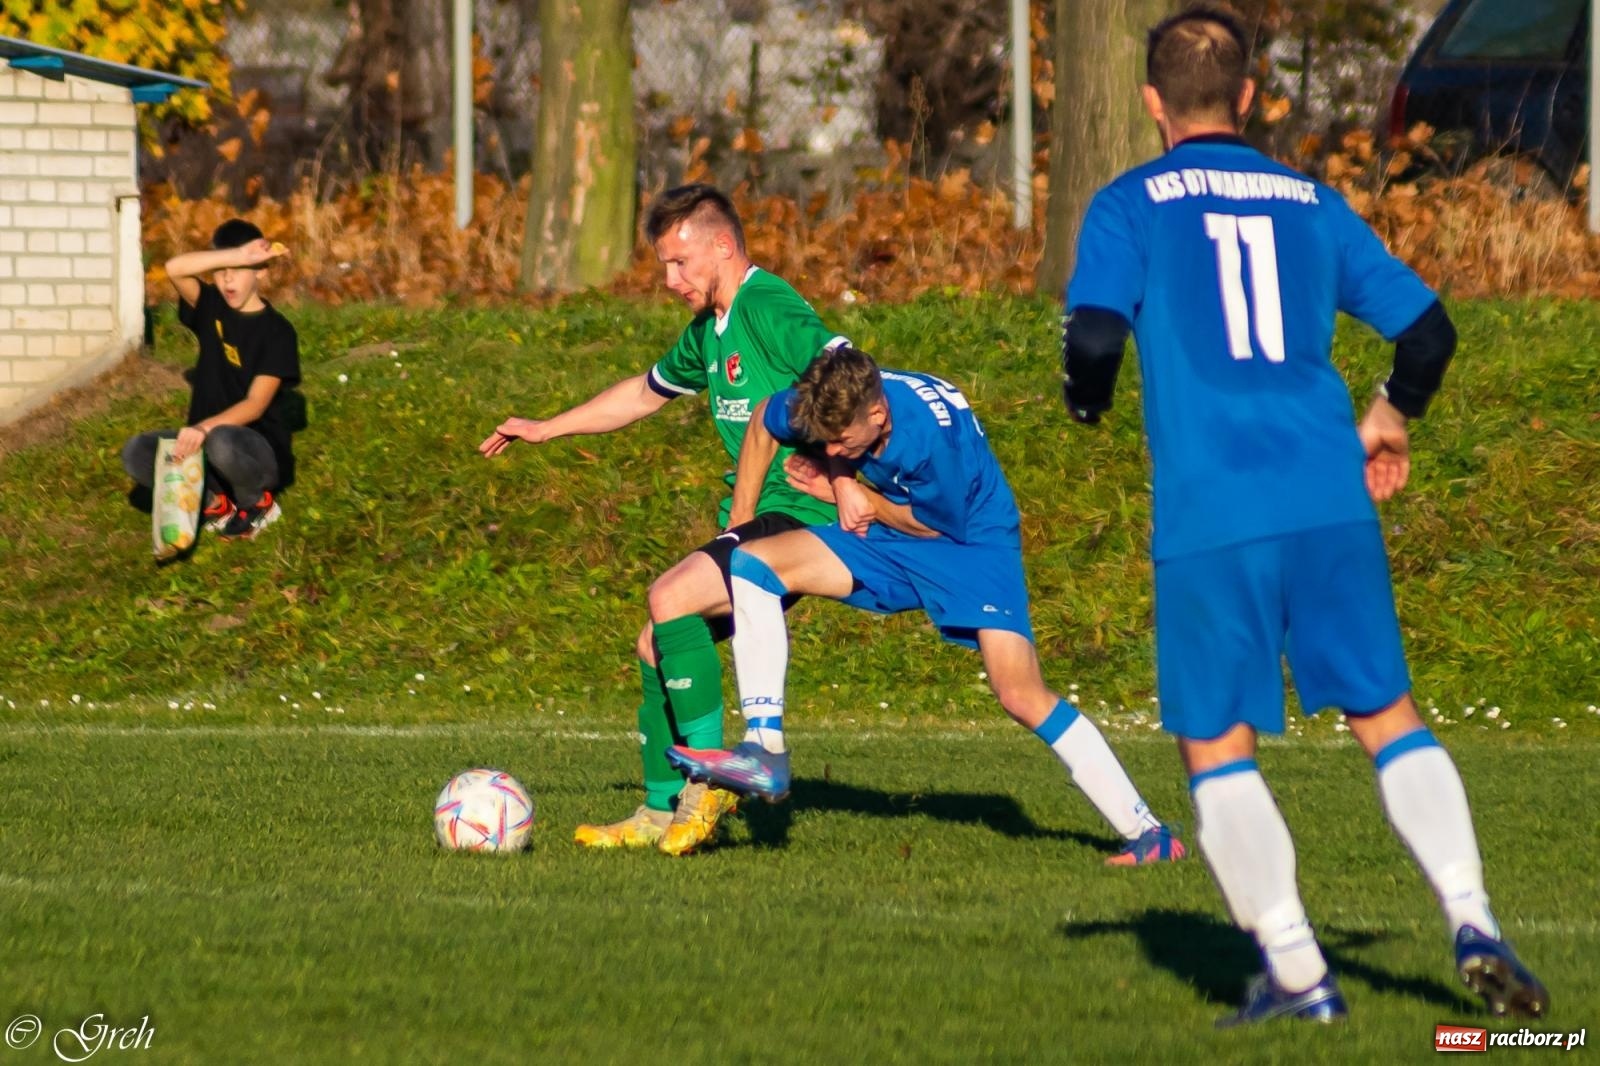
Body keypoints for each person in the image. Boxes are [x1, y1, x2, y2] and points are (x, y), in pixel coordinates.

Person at [1060, 4, 1547, 1025]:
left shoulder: (1129, 202)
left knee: (1215, 743)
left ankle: (1296, 971)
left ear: (1152, 103)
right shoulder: (1310, 201)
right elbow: (1427, 334)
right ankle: (1470, 916)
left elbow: (1096, 336)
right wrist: (1388, 416)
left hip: (1213, 508)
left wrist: (1085, 398)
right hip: (1328, 498)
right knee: (1386, 715)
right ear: (1247, 97)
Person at [667, 345, 1186, 867]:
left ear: (878, 415)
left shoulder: (929, 443)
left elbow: (932, 525)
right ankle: (764, 750)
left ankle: (1149, 834)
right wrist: (745, 517)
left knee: (1021, 695)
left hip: (969, 543)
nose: (829, 445)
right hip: (894, 529)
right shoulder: (837, 405)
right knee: (752, 565)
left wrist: (855, 496)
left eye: (840, 441)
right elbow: (763, 419)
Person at [480, 184, 846, 856]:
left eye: (681, 264)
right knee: (655, 642)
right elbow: (643, 395)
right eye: (664, 269)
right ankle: (658, 808)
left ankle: (709, 789)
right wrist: (544, 428)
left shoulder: (768, 304)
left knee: (670, 595)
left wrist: (843, 478)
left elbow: (844, 370)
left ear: (724, 247)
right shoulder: (709, 330)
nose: (670, 281)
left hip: (796, 516)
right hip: (760, 518)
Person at [121, 219, 300, 542]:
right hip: (206, 449)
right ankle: (216, 505)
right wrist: (237, 256)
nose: (227, 278)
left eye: (239, 270)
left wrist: (204, 429)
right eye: (221, 270)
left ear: (261, 270)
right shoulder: (211, 307)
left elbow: (255, 404)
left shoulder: (278, 332)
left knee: (221, 440)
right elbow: (175, 268)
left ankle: (257, 503)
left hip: (251, 452)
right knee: (137, 452)